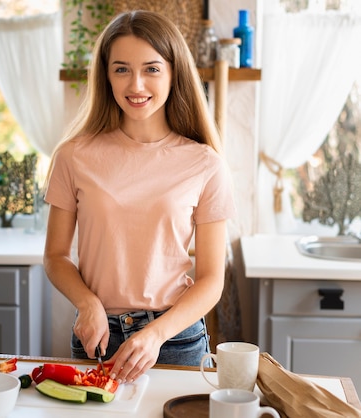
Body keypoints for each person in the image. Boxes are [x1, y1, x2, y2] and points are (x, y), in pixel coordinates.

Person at [42, 10, 236, 385]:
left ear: (173, 72)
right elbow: (55, 255)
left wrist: (156, 334)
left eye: (151, 69)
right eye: (121, 69)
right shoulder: (73, 156)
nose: (136, 84)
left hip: (175, 340)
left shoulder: (205, 163)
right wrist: (87, 303)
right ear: (105, 75)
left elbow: (211, 278)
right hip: (97, 338)